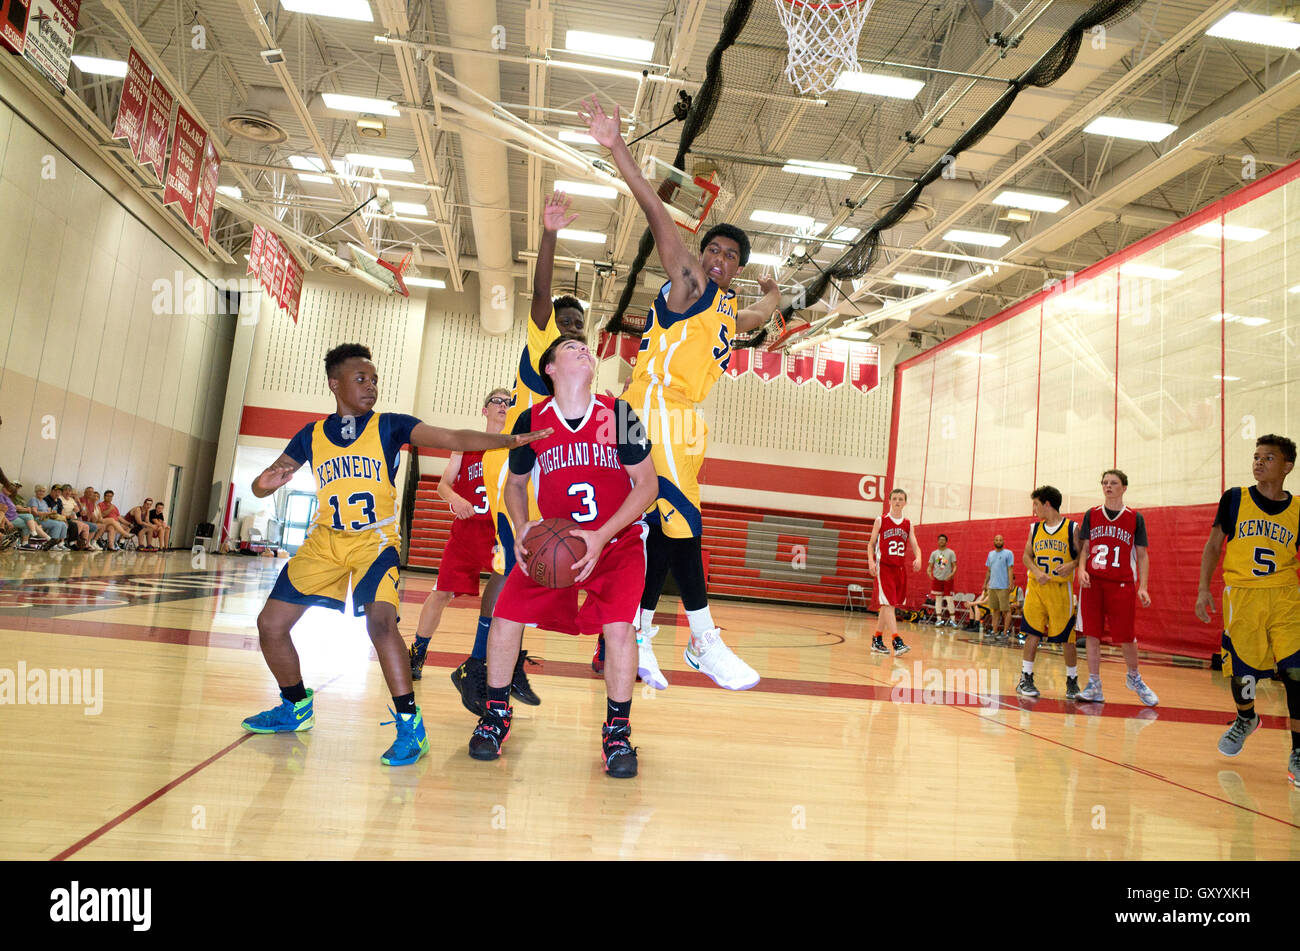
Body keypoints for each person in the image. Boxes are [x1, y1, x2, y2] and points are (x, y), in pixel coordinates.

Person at [240, 343, 550, 766]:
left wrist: (510, 439)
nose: (371, 387)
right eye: (360, 380)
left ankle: (410, 724)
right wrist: (265, 484)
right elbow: (262, 484)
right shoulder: (310, 436)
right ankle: (294, 704)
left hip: (375, 543)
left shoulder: (391, 426)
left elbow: (453, 437)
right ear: (336, 383)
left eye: (374, 380)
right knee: (270, 625)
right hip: (325, 542)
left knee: (381, 624)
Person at [579, 95, 781, 691]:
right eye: (713, 249)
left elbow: (759, 315)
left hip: (683, 422)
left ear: (736, 269)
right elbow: (655, 217)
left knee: (666, 529)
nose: (718, 260)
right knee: (685, 525)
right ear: (700, 256)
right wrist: (617, 148)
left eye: (730, 256)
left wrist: (771, 295)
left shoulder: (725, 309)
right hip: (652, 410)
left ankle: (641, 633)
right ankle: (703, 639)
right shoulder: (689, 283)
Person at [467, 334, 658, 778]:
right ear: (549, 368)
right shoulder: (533, 419)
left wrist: (601, 535)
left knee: (620, 631)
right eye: (571, 348)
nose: (584, 350)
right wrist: (520, 526)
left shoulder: (620, 415)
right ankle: (495, 716)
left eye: (586, 347)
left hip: (616, 543)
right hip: (554, 545)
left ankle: (617, 731)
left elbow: (648, 486)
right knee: (505, 616)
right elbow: (514, 485)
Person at [434, 190, 586, 717]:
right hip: (513, 475)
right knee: (509, 573)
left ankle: (509, 660)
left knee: (528, 571)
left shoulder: (579, 373)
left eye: (578, 328)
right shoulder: (543, 346)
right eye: (566, 325)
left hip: (544, 479)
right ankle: (476, 665)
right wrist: (549, 234)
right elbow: (542, 291)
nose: (572, 333)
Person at [1195, 434, 1300, 785]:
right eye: (1256, 456)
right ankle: (1246, 718)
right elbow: (1213, 546)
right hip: (1241, 597)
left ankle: (1298, 750)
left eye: (1268, 458)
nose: (1258, 462)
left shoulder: (1299, 509)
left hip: (1285, 599)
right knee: (1245, 675)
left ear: (1287, 466)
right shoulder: (1235, 498)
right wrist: (1202, 591)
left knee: (1296, 674)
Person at [409, 388, 509, 686]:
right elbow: (443, 485)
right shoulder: (466, 445)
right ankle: (418, 651)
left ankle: (486, 661)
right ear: (484, 410)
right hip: (466, 532)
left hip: (499, 535)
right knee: (440, 593)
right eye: (497, 401)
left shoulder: (515, 447)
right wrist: (456, 500)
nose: (503, 406)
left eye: (508, 402)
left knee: (503, 602)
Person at [1074, 469, 1157, 705]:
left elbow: (1142, 555)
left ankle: (1134, 677)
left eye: (1113, 482)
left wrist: (1143, 586)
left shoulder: (1134, 518)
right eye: (1104, 482)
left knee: (1126, 636)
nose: (1108, 486)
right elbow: (1086, 549)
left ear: (1124, 487)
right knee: (1092, 634)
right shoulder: (1092, 514)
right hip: (1093, 583)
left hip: (1121, 583)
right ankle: (1094, 685)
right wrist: (1081, 569)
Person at [1016, 485, 1081, 700]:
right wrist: (1036, 571)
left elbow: (1083, 556)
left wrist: (1072, 565)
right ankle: (1025, 677)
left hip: (1061, 590)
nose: (1034, 509)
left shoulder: (1072, 528)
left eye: (1036, 504)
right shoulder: (1034, 529)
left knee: (1067, 639)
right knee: (1032, 633)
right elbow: (1027, 556)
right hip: (1036, 588)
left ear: (1047, 504)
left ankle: (1072, 680)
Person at [866, 488, 922, 655]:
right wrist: (871, 561)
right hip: (884, 567)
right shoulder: (881, 520)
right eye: (895, 498)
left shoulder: (908, 524)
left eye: (900, 499)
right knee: (889, 603)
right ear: (889, 501)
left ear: (905, 502)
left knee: (887, 605)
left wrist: (918, 557)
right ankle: (897, 640)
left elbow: (915, 545)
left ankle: (877, 639)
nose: (897, 501)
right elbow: (870, 544)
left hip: (899, 568)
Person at [982, 534, 1016, 642]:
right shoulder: (990, 554)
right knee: (995, 610)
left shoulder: (1008, 553)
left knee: (1006, 610)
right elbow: (988, 570)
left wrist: (1011, 583)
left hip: (1003, 587)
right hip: (992, 587)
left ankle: (1005, 633)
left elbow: (1010, 569)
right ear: (994, 541)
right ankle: (994, 631)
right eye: (996, 539)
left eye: (1000, 539)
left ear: (1003, 541)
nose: (998, 541)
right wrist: (985, 583)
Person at [927, 534, 958, 627]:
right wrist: (929, 573)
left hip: (948, 579)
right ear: (937, 541)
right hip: (937, 579)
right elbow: (929, 566)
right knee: (938, 599)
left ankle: (953, 621)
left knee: (949, 599)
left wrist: (952, 574)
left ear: (946, 542)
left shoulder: (951, 553)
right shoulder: (934, 553)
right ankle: (938, 620)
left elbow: (955, 566)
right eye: (940, 539)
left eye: (943, 540)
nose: (941, 541)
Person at [27, 485, 69, 550]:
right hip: (38, 519)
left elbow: (48, 511)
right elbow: (34, 513)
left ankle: (60, 543)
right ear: (36, 492)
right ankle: (52, 544)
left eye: (43, 491)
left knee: (63, 524)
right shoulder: (34, 499)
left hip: (46, 518)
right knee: (57, 524)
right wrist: (48, 513)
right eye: (40, 491)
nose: (41, 493)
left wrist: (51, 513)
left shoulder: (44, 501)